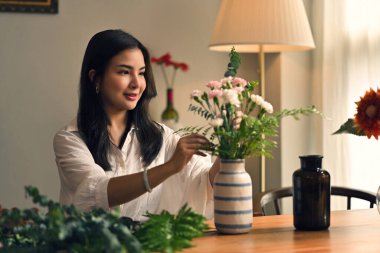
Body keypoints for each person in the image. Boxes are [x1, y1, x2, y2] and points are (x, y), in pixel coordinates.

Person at [53, 29, 220, 221]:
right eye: (124, 72)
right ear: (95, 78)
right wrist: (170, 167)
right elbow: (97, 192)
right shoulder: (69, 139)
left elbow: (203, 182)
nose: (136, 83)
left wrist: (231, 149)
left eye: (141, 73)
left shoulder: (161, 136)